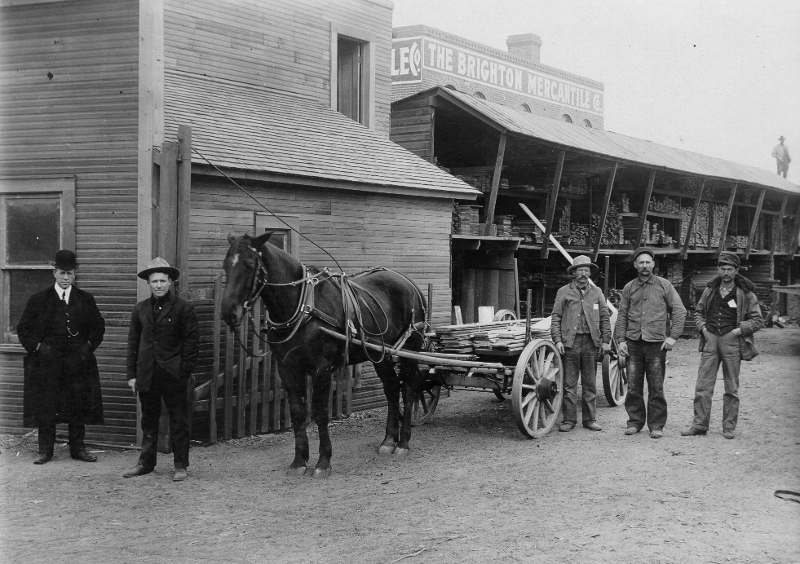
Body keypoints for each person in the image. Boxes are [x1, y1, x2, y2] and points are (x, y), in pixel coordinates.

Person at [17, 250, 105, 464]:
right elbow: (23, 329)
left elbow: (98, 327)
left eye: (70, 273)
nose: (66, 278)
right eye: (62, 273)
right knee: (47, 406)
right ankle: (45, 451)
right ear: (54, 272)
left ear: (75, 274)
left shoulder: (85, 299)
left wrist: (87, 347)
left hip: (78, 364)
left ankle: (78, 449)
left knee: (78, 404)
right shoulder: (38, 300)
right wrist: (38, 347)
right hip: (47, 364)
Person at [123, 258, 199, 481]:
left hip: (173, 374)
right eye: (154, 281)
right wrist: (132, 375)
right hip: (147, 373)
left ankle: (180, 465)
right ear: (148, 283)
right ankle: (146, 463)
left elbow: (192, 344)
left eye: (162, 281)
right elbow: (133, 343)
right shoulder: (140, 309)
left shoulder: (184, 308)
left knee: (179, 420)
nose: (158, 285)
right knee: (149, 419)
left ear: (171, 282)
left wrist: (183, 371)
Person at [682, 253, 763, 439]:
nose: (726, 273)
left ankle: (728, 427)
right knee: (703, 385)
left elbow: (758, 320)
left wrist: (738, 331)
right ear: (718, 269)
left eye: (730, 269)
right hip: (710, 340)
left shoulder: (745, 293)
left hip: (732, 341)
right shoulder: (710, 290)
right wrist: (703, 329)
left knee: (731, 387)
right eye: (722, 269)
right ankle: (699, 425)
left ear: (736, 271)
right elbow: (699, 312)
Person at [615, 247, 686, 439]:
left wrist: (673, 337)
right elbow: (622, 315)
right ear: (635, 265)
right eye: (641, 263)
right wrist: (621, 340)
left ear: (653, 264)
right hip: (633, 344)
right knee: (633, 386)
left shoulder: (664, 285)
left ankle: (656, 425)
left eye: (648, 262)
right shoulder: (629, 288)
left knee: (656, 386)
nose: (645, 266)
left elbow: (680, 311)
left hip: (656, 344)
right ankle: (635, 422)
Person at [551, 255, 611, 432]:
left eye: (587, 270)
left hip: (591, 343)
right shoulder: (564, 292)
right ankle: (569, 420)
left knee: (589, 383)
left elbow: (604, 317)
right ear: (574, 273)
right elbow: (556, 318)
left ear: (590, 273)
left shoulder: (597, 292)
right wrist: (558, 340)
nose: (584, 273)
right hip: (571, 343)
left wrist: (606, 341)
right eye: (580, 270)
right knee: (569, 385)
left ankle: (589, 420)